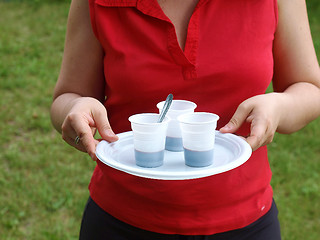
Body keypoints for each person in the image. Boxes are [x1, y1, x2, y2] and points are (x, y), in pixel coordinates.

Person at [50, 0, 320, 239]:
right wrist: (75, 107)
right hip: (122, 220)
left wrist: (279, 106)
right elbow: (68, 96)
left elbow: (310, 88)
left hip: (245, 221)